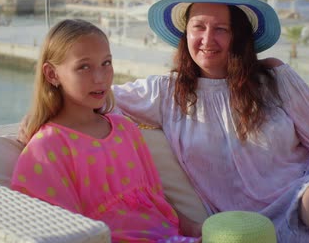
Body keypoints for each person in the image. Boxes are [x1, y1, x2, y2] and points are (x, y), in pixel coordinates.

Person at [111, 0, 309, 243]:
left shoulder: (274, 78)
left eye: (221, 29)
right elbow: (96, 97)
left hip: (303, 197)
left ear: (239, 36)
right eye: (198, 26)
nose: (207, 39)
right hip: (241, 223)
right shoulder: (165, 92)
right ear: (185, 33)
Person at [11, 19, 199, 243]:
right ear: (52, 74)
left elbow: (156, 200)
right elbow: (59, 232)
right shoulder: (46, 148)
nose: (100, 78)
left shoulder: (125, 129)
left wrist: (195, 227)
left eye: (106, 63)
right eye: (84, 66)